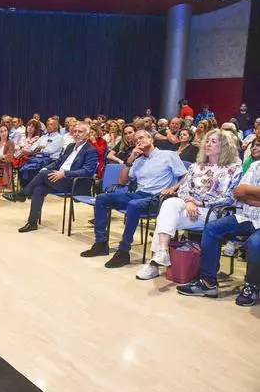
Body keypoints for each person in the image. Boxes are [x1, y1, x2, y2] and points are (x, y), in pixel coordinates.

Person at [136, 130, 242, 280]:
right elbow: (184, 188)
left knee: (164, 219)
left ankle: (154, 264)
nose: (208, 144)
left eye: (213, 141)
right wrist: (189, 201)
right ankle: (161, 253)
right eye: (207, 140)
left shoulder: (233, 168)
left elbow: (230, 197)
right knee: (170, 203)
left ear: (225, 146)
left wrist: (202, 202)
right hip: (189, 207)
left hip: (213, 211)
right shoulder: (196, 166)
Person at [80, 130, 187, 268]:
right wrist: (130, 160)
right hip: (139, 194)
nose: (138, 141)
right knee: (101, 198)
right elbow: (122, 181)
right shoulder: (138, 160)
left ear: (151, 139)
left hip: (158, 198)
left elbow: (185, 176)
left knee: (133, 205)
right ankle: (101, 243)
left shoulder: (168, 155)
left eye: (141, 138)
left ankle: (124, 251)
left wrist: (174, 188)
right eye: (136, 140)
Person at [176, 159, 260, 305]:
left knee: (255, 243)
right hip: (246, 216)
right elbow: (239, 192)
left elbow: (246, 192)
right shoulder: (256, 165)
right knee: (212, 229)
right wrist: (248, 193)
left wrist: (250, 193)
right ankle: (208, 283)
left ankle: (253, 286)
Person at [4, 122, 98, 231]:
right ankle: (32, 223)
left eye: (80, 132)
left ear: (87, 135)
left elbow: (87, 171)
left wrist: (65, 173)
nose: (76, 134)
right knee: (39, 189)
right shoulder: (70, 146)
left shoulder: (91, 150)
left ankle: (22, 194)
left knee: (43, 174)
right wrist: (47, 168)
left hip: (73, 182)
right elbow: (58, 162)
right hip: (59, 178)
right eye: (75, 131)